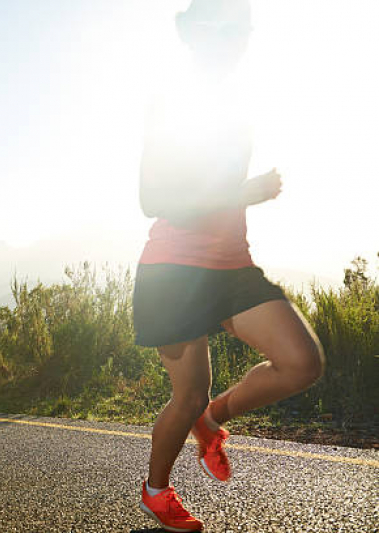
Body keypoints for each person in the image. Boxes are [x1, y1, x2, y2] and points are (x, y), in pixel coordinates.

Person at [133, 1, 325, 531]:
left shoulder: (237, 103)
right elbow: (155, 198)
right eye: (221, 30)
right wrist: (245, 191)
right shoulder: (170, 101)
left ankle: (213, 419)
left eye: (241, 30)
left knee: (302, 362)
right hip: (173, 270)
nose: (234, 39)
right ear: (194, 36)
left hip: (231, 264)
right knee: (186, 392)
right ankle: (156, 491)